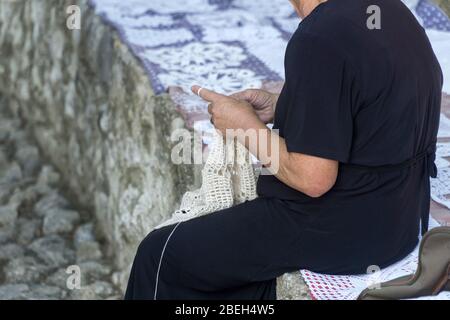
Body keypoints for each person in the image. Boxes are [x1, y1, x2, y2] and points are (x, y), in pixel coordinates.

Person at [125, 0, 443, 300]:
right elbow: (374, 106)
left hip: (343, 230)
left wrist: (243, 125)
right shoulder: (391, 10)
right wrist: (285, 106)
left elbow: (313, 179)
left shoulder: (318, 37)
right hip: (398, 223)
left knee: (160, 254)